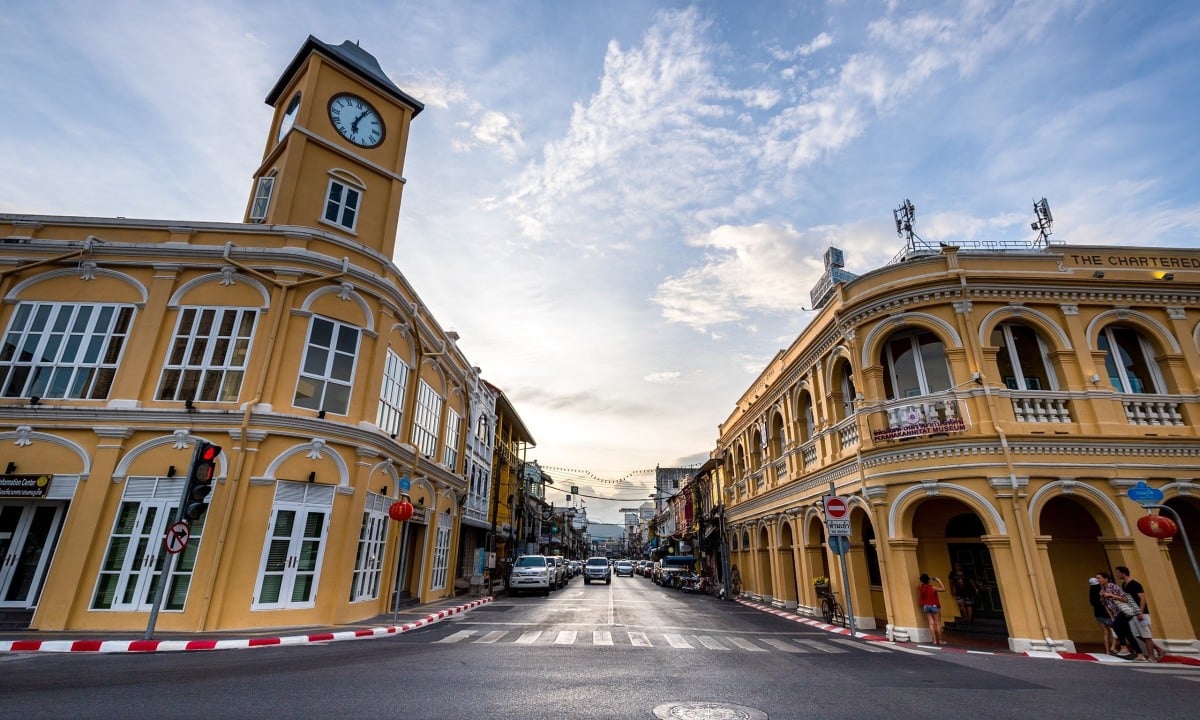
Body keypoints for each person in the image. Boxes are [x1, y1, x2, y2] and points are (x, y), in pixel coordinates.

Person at [1116, 565, 1163, 662]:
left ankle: (1152, 657)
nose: (1117, 574)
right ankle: (1158, 649)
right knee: (1137, 634)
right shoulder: (1124, 585)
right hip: (1132, 613)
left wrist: (1140, 612)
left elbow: (1142, 598)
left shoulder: (1135, 584)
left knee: (1146, 635)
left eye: (1118, 572)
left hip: (1141, 613)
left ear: (1123, 573)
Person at [1098, 571, 1144, 660]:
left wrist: (1110, 595)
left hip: (1123, 611)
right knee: (1128, 633)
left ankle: (1124, 647)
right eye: (1097, 578)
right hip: (1116, 613)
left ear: (1106, 579)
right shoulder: (1102, 590)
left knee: (1115, 626)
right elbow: (1106, 604)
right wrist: (1102, 597)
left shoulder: (1113, 586)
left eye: (1099, 578)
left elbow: (1125, 599)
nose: (1098, 580)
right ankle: (1140, 654)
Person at [1088, 576, 1117, 655]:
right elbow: (1105, 604)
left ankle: (1107, 651)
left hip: (1097, 614)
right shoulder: (1101, 591)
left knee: (1105, 632)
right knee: (1116, 631)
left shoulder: (1091, 593)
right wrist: (1111, 615)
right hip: (1106, 614)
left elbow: (1092, 603)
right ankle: (1113, 647)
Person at [918, 573, 947, 645]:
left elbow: (922, 582)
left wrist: (927, 579)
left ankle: (934, 640)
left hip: (926, 606)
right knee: (938, 623)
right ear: (928, 580)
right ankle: (940, 640)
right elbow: (943, 589)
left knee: (931, 623)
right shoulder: (933, 588)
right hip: (934, 606)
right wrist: (938, 580)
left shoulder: (921, 587)